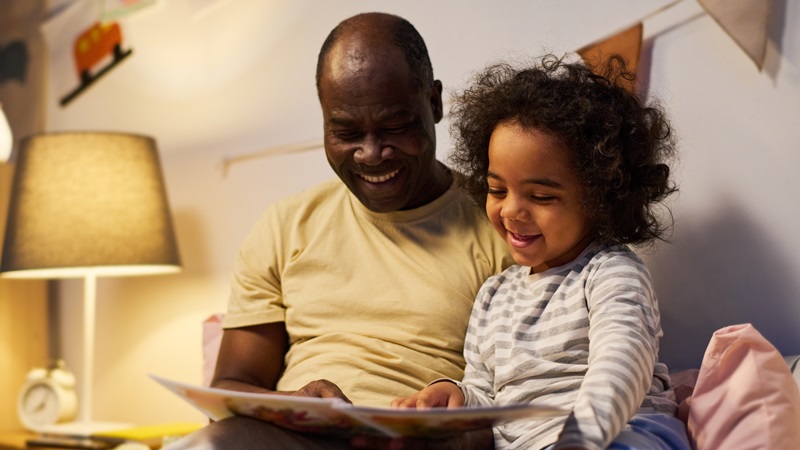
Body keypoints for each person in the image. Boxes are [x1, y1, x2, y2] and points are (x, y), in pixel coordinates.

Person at [163, 12, 511, 450]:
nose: (371, 154)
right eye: (346, 132)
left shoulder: (505, 227)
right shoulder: (286, 225)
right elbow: (234, 383)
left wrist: (452, 436)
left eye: (395, 127)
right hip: (290, 438)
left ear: (435, 103)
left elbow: (525, 396)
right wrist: (294, 403)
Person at [392, 55, 692, 450]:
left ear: (599, 198)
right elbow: (487, 394)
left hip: (624, 432)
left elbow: (623, 365)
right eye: (497, 190)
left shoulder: (610, 272)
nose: (512, 210)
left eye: (541, 196)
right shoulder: (493, 296)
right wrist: (454, 394)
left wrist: (581, 436)